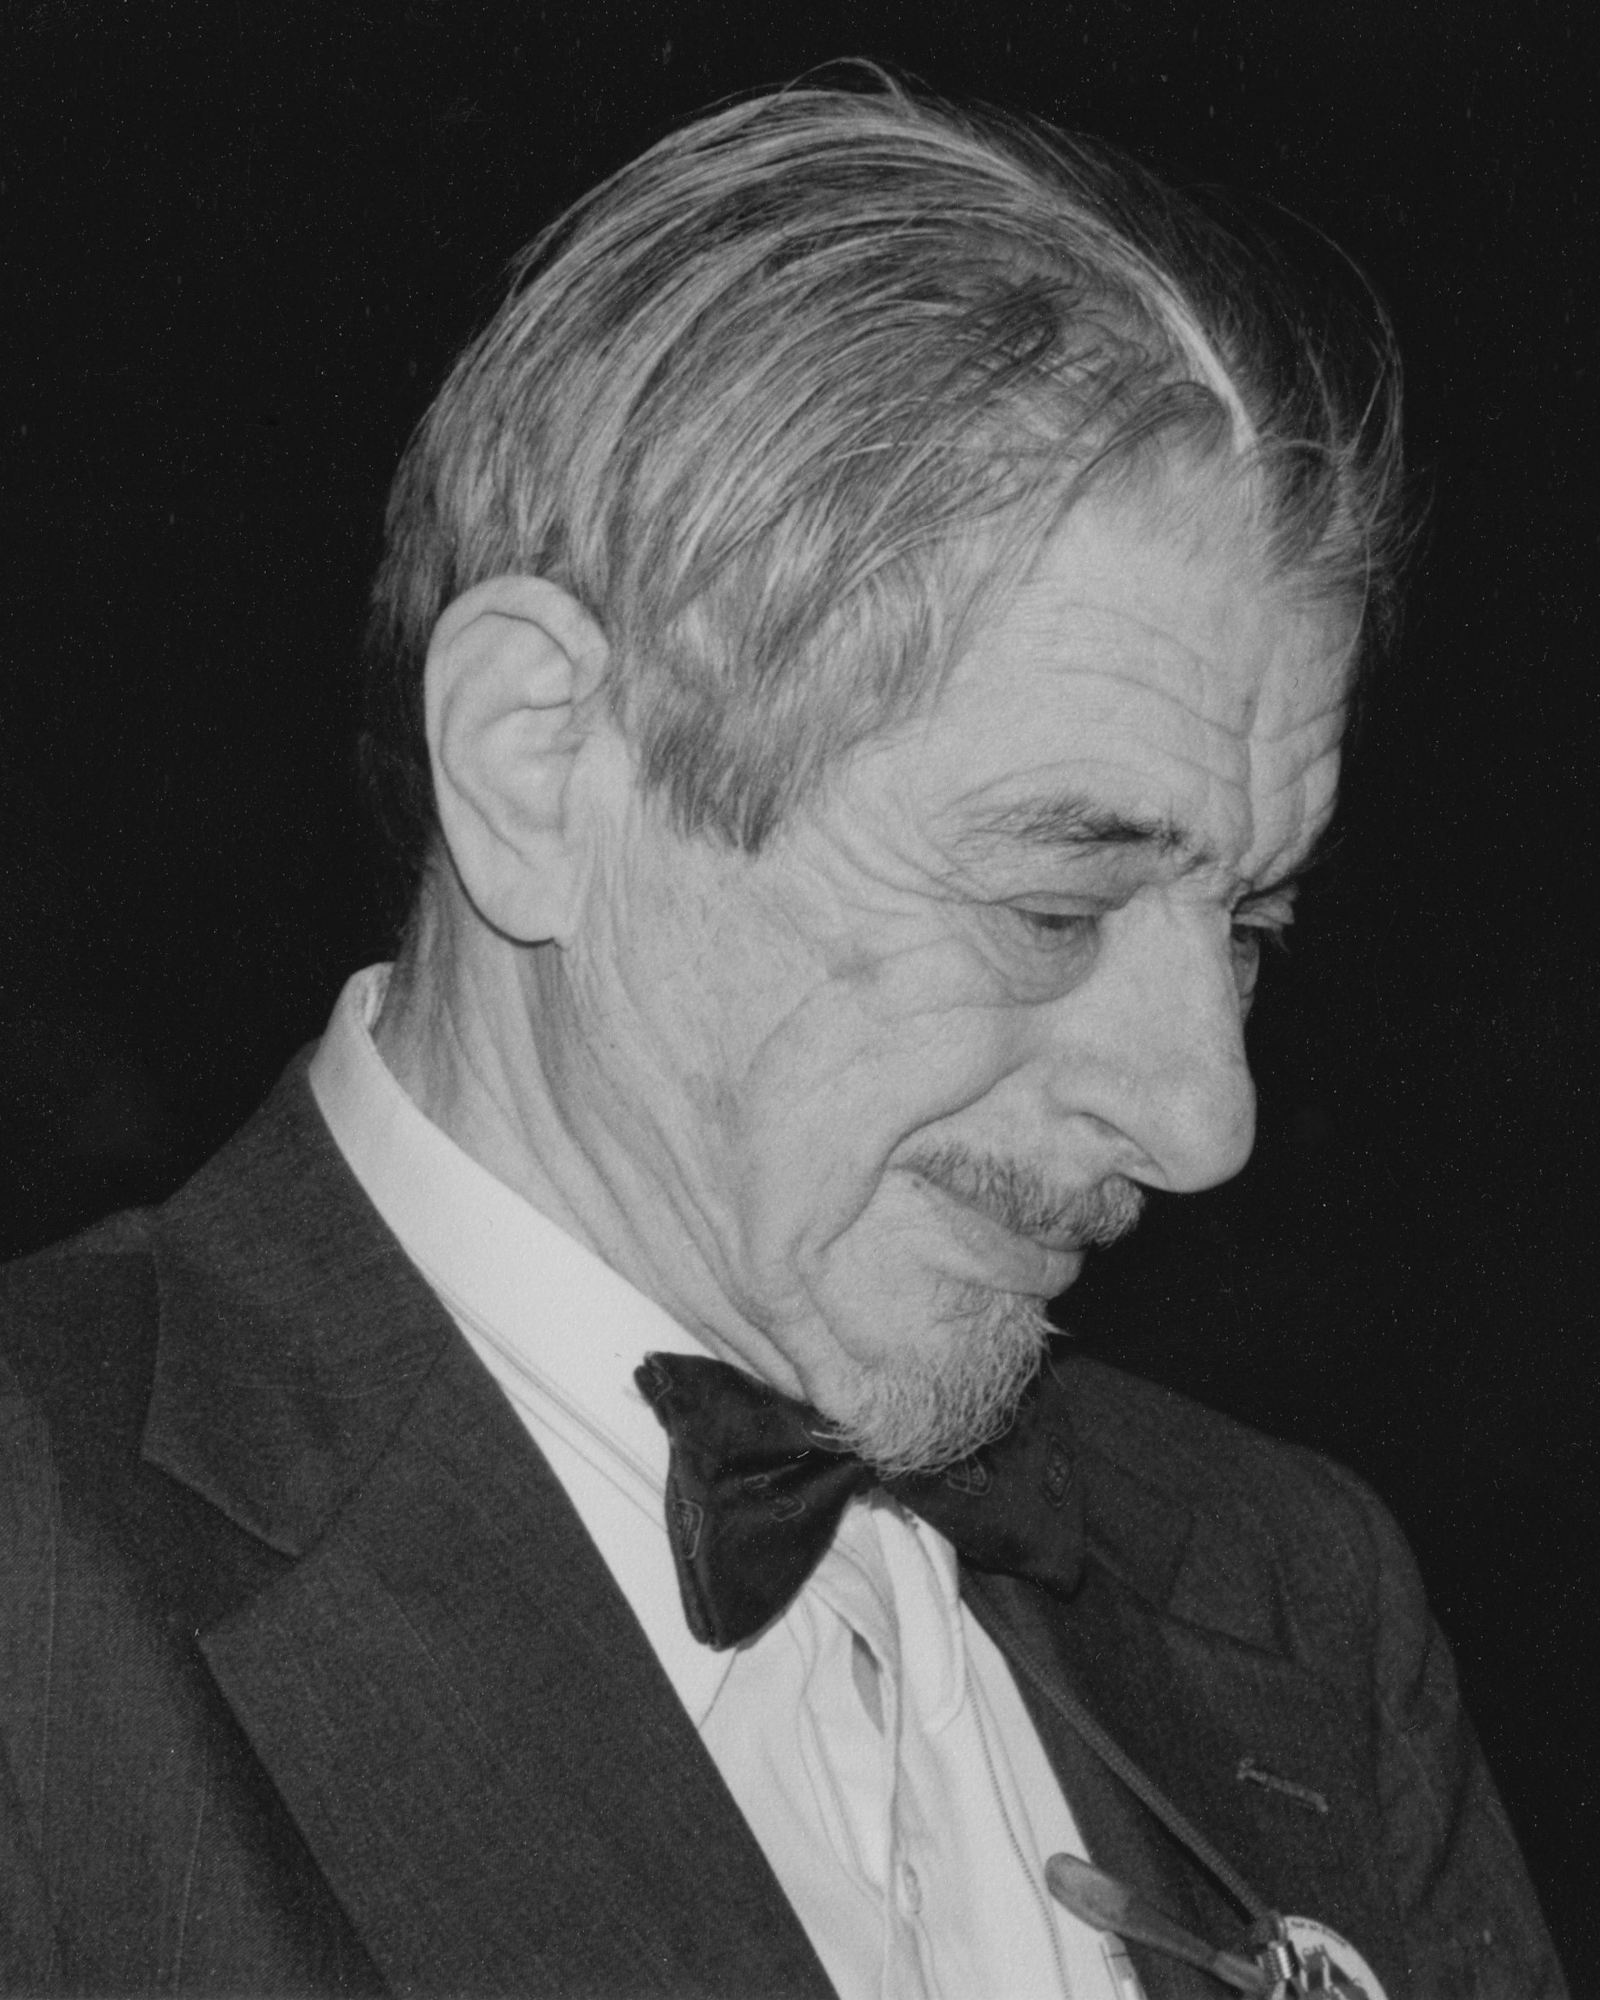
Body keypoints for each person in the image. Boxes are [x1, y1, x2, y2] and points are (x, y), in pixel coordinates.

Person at [0, 78, 1566, 2000]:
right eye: (1052, 904)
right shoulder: (36, 1591)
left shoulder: (1298, 1593)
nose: (1202, 1118)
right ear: (542, 765)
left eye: (1245, 928)